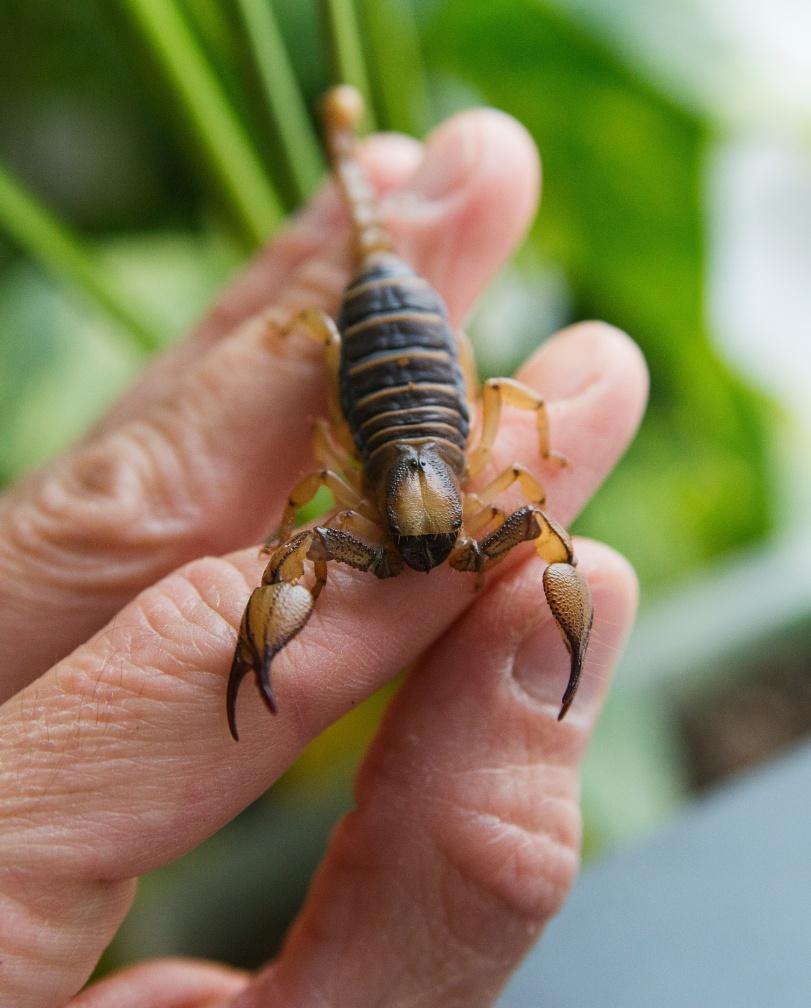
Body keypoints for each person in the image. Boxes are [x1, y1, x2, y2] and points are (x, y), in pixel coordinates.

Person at [0, 106, 647, 1008]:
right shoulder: (362, 517)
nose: (421, 548)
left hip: (415, 370)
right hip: (390, 363)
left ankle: (353, 162)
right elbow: (323, 466)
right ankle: (352, 167)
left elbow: (518, 467)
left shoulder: (476, 495)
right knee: (343, 428)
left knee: (482, 425)